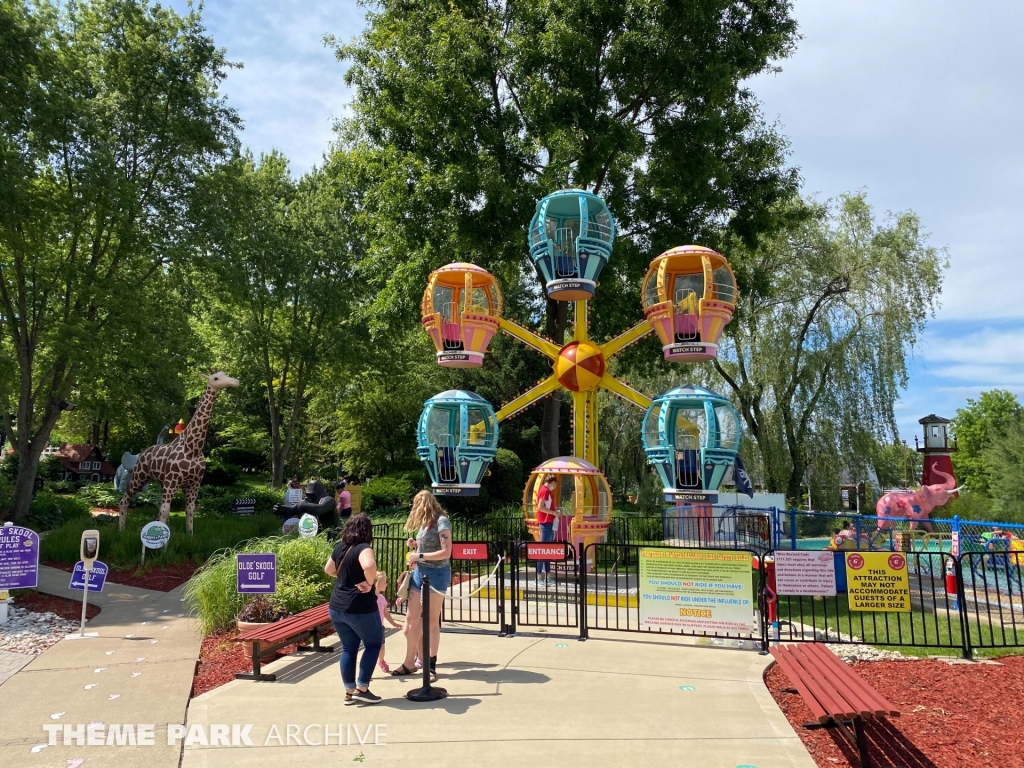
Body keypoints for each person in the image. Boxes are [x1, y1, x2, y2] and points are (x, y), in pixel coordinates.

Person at [390, 490, 451, 682]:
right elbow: (426, 546)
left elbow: (446, 552)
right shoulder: (425, 524)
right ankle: (410, 662)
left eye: (417, 505)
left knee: (432, 621)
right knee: (411, 620)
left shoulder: (441, 521)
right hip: (419, 573)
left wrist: (420, 556)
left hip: (436, 574)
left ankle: (430, 666)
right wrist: (416, 546)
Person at [324, 514, 383, 705]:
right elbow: (369, 565)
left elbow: (328, 569)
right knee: (374, 644)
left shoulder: (340, 547)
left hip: (336, 607)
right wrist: (369, 582)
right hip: (359, 607)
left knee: (349, 648)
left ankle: (349, 691)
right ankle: (362, 688)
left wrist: (345, 581)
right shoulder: (363, 548)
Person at [374, 572, 401, 673]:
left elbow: (385, 612)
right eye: (384, 582)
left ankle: (381, 661)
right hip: (369, 628)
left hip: (380, 627)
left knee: (382, 648)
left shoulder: (381, 598)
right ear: (376, 584)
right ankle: (368, 670)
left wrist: (393, 623)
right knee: (371, 650)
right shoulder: (369, 598)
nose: (386, 584)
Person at [535, 474, 557, 585]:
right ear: (552, 483)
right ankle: (539, 576)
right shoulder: (545, 491)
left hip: (548, 523)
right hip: (546, 523)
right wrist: (553, 513)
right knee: (543, 550)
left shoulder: (545, 491)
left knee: (546, 550)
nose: (555, 487)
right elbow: (540, 507)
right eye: (554, 484)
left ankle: (548, 575)